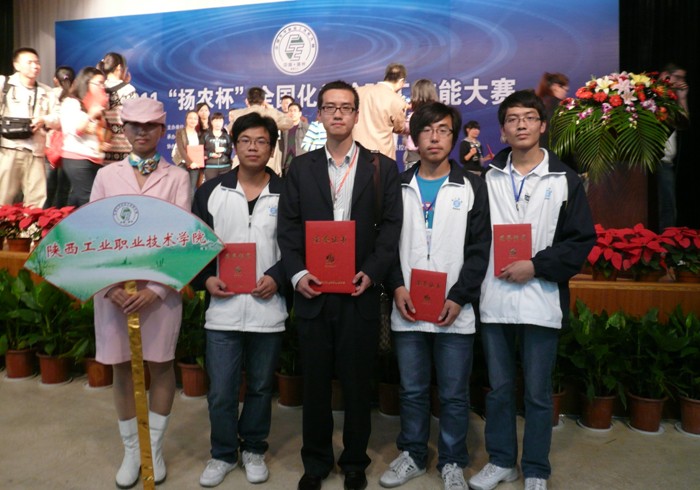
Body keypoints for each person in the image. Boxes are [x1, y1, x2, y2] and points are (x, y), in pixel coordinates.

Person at [277, 80, 403, 490]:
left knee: (357, 384)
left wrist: (373, 271)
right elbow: (288, 228)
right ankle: (315, 462)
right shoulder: (301, 167)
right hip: (313, 292)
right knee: (315, 384)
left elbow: (391, 229)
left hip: (357, 290)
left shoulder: (380, 167)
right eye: (330, 107)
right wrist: (297, 274)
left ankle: (353, 462)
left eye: (345, 107)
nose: (337, 114)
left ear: (356, 114)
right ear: (319, 114)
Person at [468, 90, 595, 490]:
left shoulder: (565, 179)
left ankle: (537, 468)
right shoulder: (486, 179)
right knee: (499, 390)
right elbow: (472, 238)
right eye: (512, 119)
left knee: (538, 394)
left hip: (541, 300)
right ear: (503, 130)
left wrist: (536, 265)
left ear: (542, 126)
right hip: (495, 299)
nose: (520, 124)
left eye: (528, 118)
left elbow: (580, 241)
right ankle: (502, 461)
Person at [380, 102, 491, 490]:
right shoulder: (397, 186)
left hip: (454, 309)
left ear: (454, 137)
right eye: (426, 130)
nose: (434, 137)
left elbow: (480, 248)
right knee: (411, 390)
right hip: (408, 305)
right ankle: (412, 454)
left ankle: (452, 461)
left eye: (443, 130)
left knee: (455, 394)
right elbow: (386, 244)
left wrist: (460, 296)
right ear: (414, 137)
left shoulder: (472, 186)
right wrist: (396, 286)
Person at [90, 97, 191, 488]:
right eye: (134, 125)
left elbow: (182, 239)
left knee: (161, 365)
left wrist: (156, 289)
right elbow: (92, 234)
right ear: (124, 129)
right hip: (114, 293)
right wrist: (109, 286)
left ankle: (154, 450)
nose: (142, 132)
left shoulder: (178, 177)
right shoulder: (106, 176)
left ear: (162, 130)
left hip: (159, 292)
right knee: (120, 367)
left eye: (150, 126)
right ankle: (133, 451)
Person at [192, 112, 287, 488]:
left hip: (268, 307)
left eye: (261, 141)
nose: (253, 147)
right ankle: (222, 452)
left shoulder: (286, 193)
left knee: (261, 387)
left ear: (272, 147)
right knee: (221, 391)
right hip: (224, 309)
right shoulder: (210, 192)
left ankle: (254, 449)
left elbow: (295, 247)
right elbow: (196, 246)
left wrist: (278, 277)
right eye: (245, 140)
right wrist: (206, 278)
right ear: (234, 145)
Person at [0, 47, 52, 207]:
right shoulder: (4, 84)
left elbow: (57, 118)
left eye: (37, 62)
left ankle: (32, 224)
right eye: (29, 62)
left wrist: (44, 119)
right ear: (16, 65)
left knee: (36, 201)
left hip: (36, 152)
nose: (35, 66)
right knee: (3, 197)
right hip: (8, 149)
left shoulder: (46, 91)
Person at [60, 66, 109, 207]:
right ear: (86, 83)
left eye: (103, 84)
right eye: (99, 83)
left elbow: (100, 131)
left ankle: (65, 219)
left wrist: (102, 142)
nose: (102, 87)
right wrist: (91, 115)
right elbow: (76, 130)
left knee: (78, 200)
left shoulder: (94, 105)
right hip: (77, 158)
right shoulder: (71, 103)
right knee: (89, 200)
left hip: (95, 158)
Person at [228, 87, 292, 175]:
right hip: (267, 161)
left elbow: (230, 130)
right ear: (263, 100)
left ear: (247, 100)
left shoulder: (237, 114)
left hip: (243, 160)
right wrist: (271, 109)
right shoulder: (271, 113)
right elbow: (289, 123)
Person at [657, 62, 689, 231]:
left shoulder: (673, 100)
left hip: (666, 163)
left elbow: (684, 123)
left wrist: (682, 98)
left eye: (683, 78)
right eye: (678, 77)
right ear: (665, 76)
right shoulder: (652, 96)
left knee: (668, 205)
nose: (681, 82)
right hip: (653, 161)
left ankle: (666, 241)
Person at [353, 62, 408, 160]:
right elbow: (399, 128)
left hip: (355, 154)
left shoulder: (357, 92)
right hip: (381, 156)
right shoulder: (396, 100)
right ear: (401, 81)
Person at [98, 52, 138, 164]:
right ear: (119, 67)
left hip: (102, 149)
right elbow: (135, 119)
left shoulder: (99, 87)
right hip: (124, 147)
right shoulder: (128, 90)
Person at [43, 65, 74, 209]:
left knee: (49, 183)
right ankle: (60, 214)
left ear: (55, 80)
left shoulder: (49, 94)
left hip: (52, 144)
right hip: (70, 145)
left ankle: (45, 213)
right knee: (64, 186)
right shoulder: (76, 96)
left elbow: (45, 118)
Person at [402, 79, 438, 170]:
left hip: (415, 158)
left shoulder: (415, 116)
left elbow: (402, 128)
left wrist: (402, 111)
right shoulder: (438, 115)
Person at [534, 72, 569, 152]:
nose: (565, 93)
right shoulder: (556, 105)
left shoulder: (538, 103)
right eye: (565, 89)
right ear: (555, 87)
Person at [173, 110, 204, 194]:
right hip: (182, 163)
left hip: (195, 165)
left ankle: (190, 204)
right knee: (181, 189)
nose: (193, 120)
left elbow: (200, 149)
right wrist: (190, 162)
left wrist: (202, 158)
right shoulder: (180, 132)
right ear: (186, 119)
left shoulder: (199, 133)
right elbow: (181, 149)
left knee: (191, 190)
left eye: (195, 118)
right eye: (190, 118)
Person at [280, 102, 309, 176]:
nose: (292, 113)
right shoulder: (283, 128)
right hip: (287, 163)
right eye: (290, 110)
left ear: (300, 113)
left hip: (302, 164)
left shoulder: (307, 128)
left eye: (295, 110)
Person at [202, 112, 233, 181]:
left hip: (225, 167)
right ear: (211, 122)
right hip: (210, 167)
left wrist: (224, 149)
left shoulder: (226, 136)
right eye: (216, 121)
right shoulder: (206, 135)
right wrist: (211, 154)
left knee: (225, 186)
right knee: (211, 186)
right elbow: (201, 150)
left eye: (220, 121)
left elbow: (230, 151)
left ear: (223, 122)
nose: (218, 123)